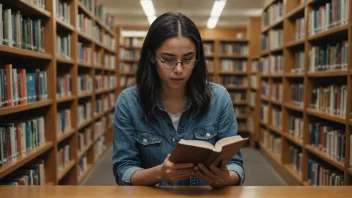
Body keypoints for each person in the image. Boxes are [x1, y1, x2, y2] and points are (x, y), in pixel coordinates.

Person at [112, 12, 244, 188]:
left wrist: (227, 179)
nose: (179, 69)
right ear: (152, 57)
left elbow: (236, 165)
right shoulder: (129, 102)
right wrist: (159, 173)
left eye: (188, 59)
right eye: (168, 60)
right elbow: (123, 170)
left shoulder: (219, 98)